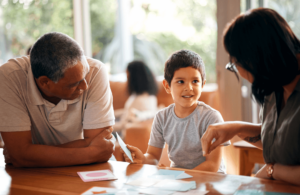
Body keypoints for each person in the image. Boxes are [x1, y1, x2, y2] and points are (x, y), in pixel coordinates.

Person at [201, 8, 300, 185]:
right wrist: (236, 128)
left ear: (256, 59)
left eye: (236, 63)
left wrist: (272, 171)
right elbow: (286, 141)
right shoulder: (274, 84)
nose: (238, 71)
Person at [0, 32, 115, 167]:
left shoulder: (96, 71)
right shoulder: (9, 77)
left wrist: (32, 153)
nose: (85, 86)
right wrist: (90, 153)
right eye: (74, 84)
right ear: (44, 82)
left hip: (85, 169)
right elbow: (20, 155)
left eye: (85, 75)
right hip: (32, 175)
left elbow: (101, 143)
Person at [122, 50, 230, 173]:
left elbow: (212, 165)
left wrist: (175, 175)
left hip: (210, 180)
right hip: (179, 181)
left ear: (202, 85)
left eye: (195, 81)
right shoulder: (161, 117)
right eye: (180, 82)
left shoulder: (212, 117)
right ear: (167, 86)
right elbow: (153, 156)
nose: (188, 87)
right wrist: (142, 158)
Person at [113, 61, 158, 135]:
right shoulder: (151, 97)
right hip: (121, 122)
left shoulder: (139, 101)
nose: (127, 80)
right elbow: (127, 111)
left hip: (120, 132)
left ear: (134, 78)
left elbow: (122, 126)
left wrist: (102, 126)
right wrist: (109, 115)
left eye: (127, 77)